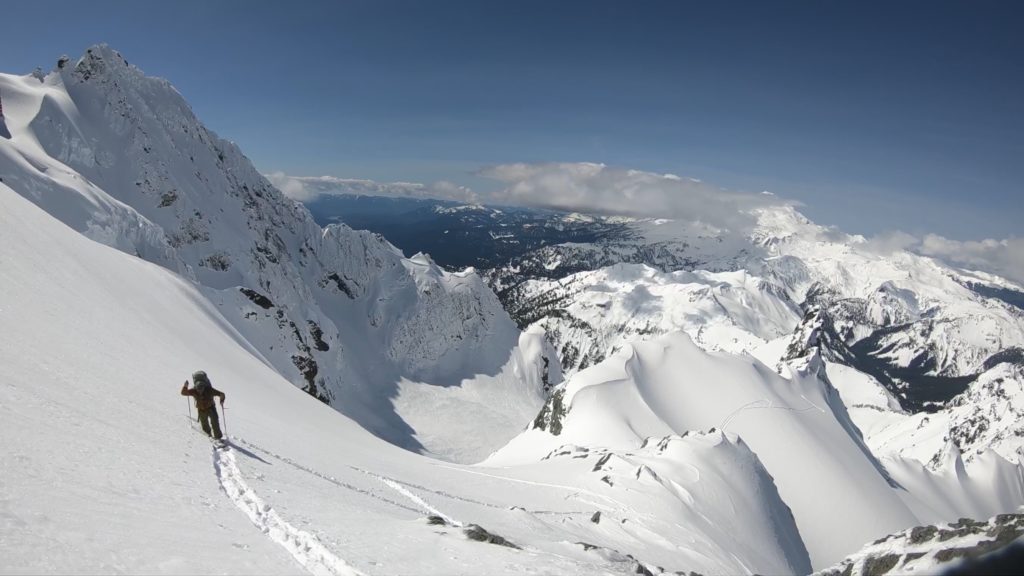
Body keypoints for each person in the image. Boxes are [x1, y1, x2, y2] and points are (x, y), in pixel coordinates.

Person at [181, 370, 226, 440]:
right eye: (198, 389)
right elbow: (184, 393)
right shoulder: (194, 390)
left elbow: (221, 394)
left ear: (204, 387)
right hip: (201, 409)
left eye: (201, 389)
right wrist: (185, 386)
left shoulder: (209, 390)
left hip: (211, 407)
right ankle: (208, 437)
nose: (200, 391)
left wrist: (222, 400)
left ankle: (218, 437)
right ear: (196, 387)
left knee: (215, 422)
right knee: (205, 425)